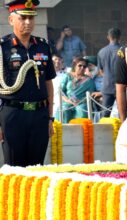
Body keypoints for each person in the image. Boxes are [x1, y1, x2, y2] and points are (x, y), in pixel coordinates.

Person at [0, 0, 56, 166]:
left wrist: (50, 118)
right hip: (12, 114)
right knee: (15, 169)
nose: (28, 22)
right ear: (11, 20)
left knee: (37, 167)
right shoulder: (3, 48)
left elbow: (48, 84)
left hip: (39, 114)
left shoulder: (43, 46)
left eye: (31, 18)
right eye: (23, 17)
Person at [60, 56, 95, 123]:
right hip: (67, 101)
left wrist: (81, 101)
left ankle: (82, 132)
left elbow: (91, 94)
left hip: (81, 102)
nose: (82, 68)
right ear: (75, 66)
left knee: (82, 110)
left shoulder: (89, 80)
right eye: (80, 65)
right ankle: (63, 131)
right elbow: (61, 92)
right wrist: (67, 100)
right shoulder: (67, 76)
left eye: (84, 67)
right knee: (64, 110)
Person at [97, 28, 121, 118]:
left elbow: (101, 71)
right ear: (119, 37)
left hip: (107, 86)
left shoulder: (101, 52)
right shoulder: (123, 50)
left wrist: (108, 76)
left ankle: (103, 132)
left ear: (108, 37)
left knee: (105, 114)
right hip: (121, 86)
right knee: (123, 113)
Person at [52, 54, 67, 120]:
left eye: (59, 60)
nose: (57, 61)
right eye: (55, 59)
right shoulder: (46, 76)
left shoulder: (66, 75)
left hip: (64, 102)